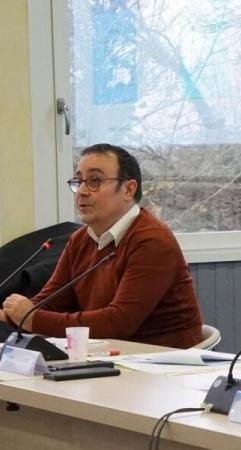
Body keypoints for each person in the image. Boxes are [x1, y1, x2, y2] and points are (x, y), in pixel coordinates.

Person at [1, 143, 203, 348]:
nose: (81, 191)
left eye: (94, 181)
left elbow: (118, 322)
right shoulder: (79, 240)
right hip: (108, 357)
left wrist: (32, 319)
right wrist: (10, 314)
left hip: (165, 365)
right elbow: (50, 301)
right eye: (79, 181)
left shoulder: (152, 241)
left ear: (128, 189)